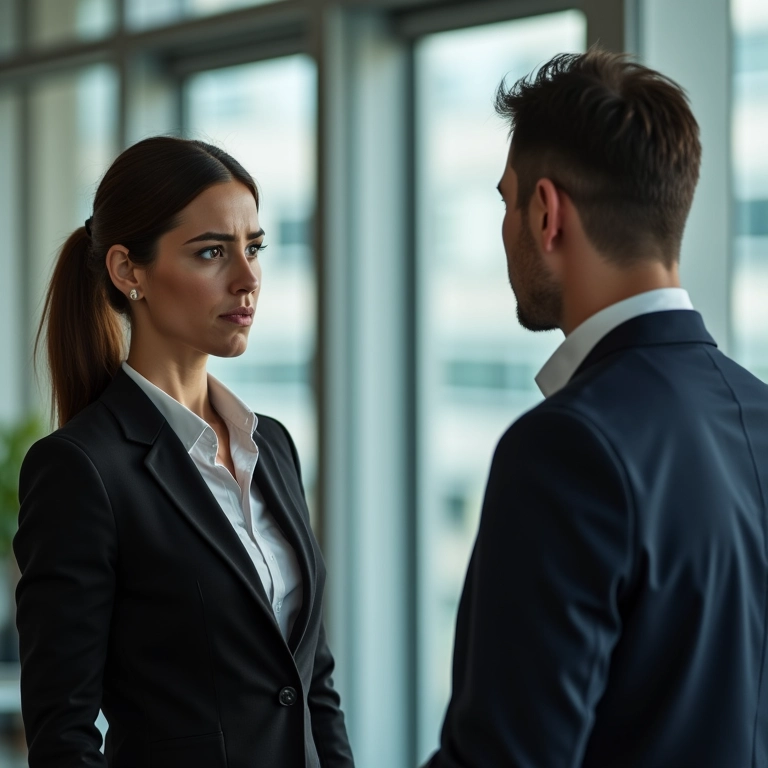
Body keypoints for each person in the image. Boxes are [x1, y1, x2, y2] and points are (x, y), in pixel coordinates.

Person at [425, 48, 768, 768]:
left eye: (505, 200)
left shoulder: (566, 448)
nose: (505, 226)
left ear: (546, 212)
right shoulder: (759, 412)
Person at [14, 136, 355, 768]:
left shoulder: (271, 444)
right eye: (211, 253)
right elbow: (63, 731)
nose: (247, 278)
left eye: (253, 248)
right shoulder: (81, 469)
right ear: (128, 271)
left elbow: (314, 684)